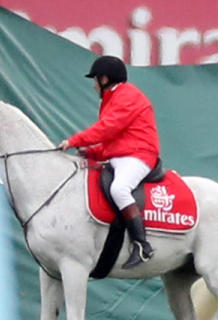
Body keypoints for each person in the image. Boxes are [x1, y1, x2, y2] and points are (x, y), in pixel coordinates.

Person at [58, 55, 160, 269]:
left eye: (95, 80)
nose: (94, 86)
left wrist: (74, 140)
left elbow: (107, 129)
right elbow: (113, 141)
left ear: (105, 79)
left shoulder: (127, 96)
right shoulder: (113, 99)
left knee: (119, 189)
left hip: (139, 155)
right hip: (123, 155)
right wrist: (91, 152)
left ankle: (142, 245)